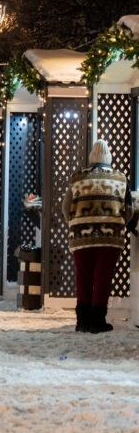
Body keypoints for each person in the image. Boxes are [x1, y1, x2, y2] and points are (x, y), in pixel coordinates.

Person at [61, 139, 132, 333]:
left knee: (83, 277)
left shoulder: (77, 178)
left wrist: (74, 223)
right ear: (109, 159)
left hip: (81, 235)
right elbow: (129, 210)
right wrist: (120, 224)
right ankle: (97, 321)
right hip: (110, 236)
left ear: (91, 159)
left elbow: (65, 207)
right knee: (102, 277)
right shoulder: (120, 178)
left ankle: (82, 321)